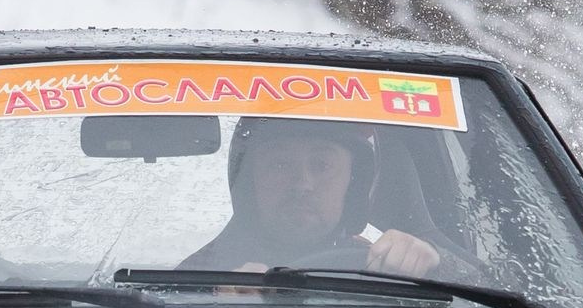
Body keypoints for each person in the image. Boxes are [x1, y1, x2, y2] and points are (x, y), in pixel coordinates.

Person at [181, 116, 458, 279]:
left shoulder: (387, 269)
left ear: (353, 181)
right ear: (249, 181)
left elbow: (495, 294)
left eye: (322, 165)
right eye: (280, 165)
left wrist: (437, 264)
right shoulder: (196, 276)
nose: (302, 184)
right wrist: (214, 302)